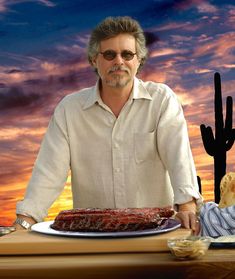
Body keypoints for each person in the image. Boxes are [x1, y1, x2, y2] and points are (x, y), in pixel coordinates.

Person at [14, 16, 202, 233]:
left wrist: (187, 206)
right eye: (110, 54)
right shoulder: (69, 109)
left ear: (139, 59)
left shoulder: (162, 100)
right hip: (91, 237)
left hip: (156, 233)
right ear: (94, 60)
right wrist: (24, 221)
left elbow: (178, 157)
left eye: (127, 54)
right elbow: (48, 173)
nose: (119, 61)